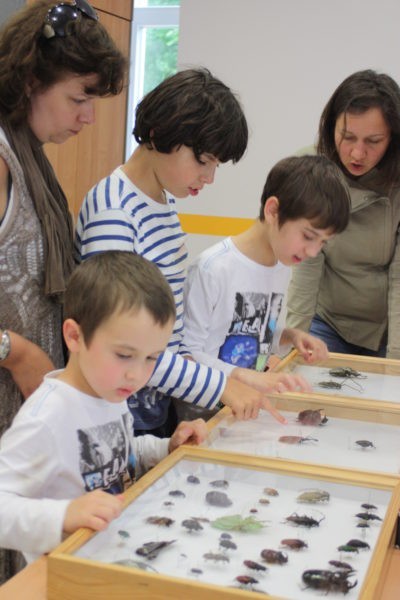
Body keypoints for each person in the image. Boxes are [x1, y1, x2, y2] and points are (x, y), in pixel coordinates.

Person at [76, 68, 305, 439]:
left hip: (153, 406)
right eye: (203, 161)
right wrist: (221, 386)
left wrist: (238, 376)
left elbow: (173, 336)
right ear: (158, 134)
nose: (209, 178)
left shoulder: (162, 203)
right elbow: (116, 343)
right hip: (116, 413)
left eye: (216, 165)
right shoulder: (115, 211)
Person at [0, 0, 125, 581]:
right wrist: (16, 351)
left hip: (26, 404)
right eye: (79, 98)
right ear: (31, 80)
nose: (88, 118)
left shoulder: (30, 155)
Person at [0, 251, 208, 563]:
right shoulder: (47, 417)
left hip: (115, 557)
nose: (137, 375)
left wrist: (166, 447)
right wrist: (64, 514)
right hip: (65, 574)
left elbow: (120, 457)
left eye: (152, 358)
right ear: (74, 336)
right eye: (124, 355)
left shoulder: (109, 391)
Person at [182, 155, 350, 416]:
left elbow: (254, 332)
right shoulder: (212, 269)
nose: (313, 252)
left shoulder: (281, 264)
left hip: (244, 410)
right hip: (202, 415)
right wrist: (246, 376)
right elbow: (187, 355)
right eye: (308, 236)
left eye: (323, 242)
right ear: (273, 211)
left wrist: (290, 336)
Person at [286, 70, 400, 358]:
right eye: (347, 137)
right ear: (330, 127)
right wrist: (291, 348)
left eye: (373, 141)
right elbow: (306, 267)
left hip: (388, 328)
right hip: (328, 322)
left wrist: (395, 363)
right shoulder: (312, 168)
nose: (357, 154)